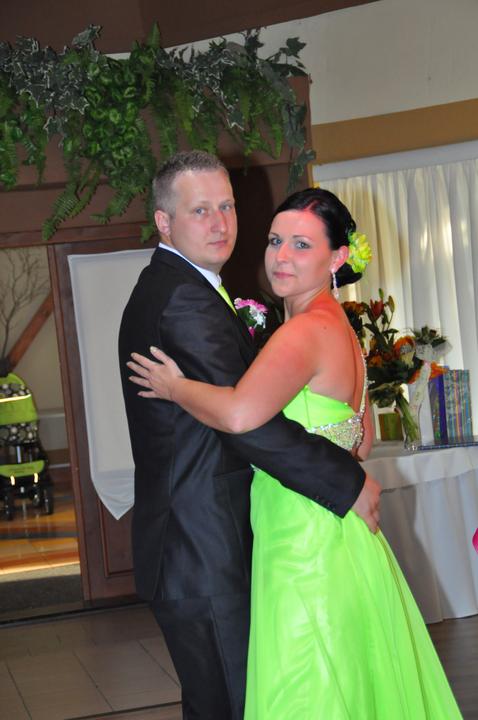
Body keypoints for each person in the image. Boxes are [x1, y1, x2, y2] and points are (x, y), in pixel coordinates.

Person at [128, 187, 462, 719]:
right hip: (343, 538)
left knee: (309, 687)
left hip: (301, 543)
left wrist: (175, 387)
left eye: (302, 245)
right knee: (351, 681)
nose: (281, 256)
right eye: (275, 241)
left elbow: (240, 415)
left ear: (337, 257)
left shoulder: (303, 331)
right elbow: (360, 440)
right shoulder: (343, 329)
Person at [119, 151, 381, 720]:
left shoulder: (194, 288)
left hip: (224, 541)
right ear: (164, 221)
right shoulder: (183, 298)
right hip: (202, 547)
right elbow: (248, 423)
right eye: (201, 210)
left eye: (228, 207)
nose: (220, 224)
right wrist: (347, 482)